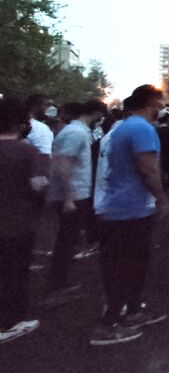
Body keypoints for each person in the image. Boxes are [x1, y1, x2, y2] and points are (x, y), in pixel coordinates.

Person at [93, 85, 169, 346]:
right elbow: (148, 169)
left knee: (134, 264)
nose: (163, 107)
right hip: (127, 210)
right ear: (151, 102)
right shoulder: (140, 128)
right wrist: (162, 199)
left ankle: (134, 311)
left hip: (121, 208)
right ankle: (108, 325)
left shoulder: (122, 127)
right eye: (160, 102)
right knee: (122, 267)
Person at [45, 100, 107, 300]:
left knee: (68, 238)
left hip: (74, 193)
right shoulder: (76, 133)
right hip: (73, 194)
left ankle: (59, 282)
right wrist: (69, 198)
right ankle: (57, 285)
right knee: (66, 239)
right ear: (95, 113)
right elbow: (64, 165)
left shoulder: (75, 131)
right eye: (100, 115)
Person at [0, 98, 46, 344]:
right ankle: (10, 322)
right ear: (20, 123)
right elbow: (38, 186)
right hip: (17, 224)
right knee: (15, 273)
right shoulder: (26, 151)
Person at [24, 94, 54, 180]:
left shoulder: (18, 125)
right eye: (47, 105)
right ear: (35, 106)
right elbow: (45, 158)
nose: (52, 108)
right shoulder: (40, 128)